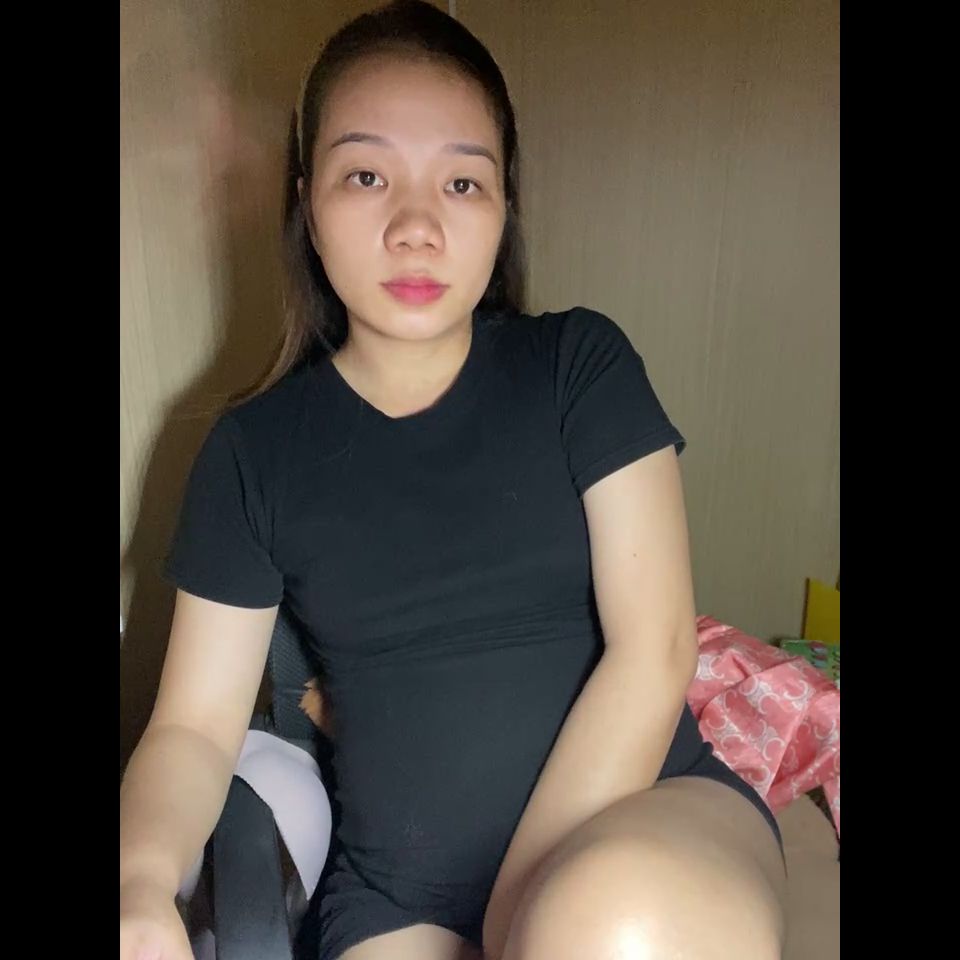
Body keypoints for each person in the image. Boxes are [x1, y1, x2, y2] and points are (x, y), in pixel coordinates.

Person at [119, 3, 786, 958]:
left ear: (504, 206)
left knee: (609, 922)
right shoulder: (251, 452)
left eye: (462, 182)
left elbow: (657, 648)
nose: (416, 226)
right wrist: (141, 883)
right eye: (366, 175)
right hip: (399, 898)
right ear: (308, 202)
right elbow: (192, 729)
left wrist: (523, 916)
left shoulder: (578, 365)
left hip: (645, 822)